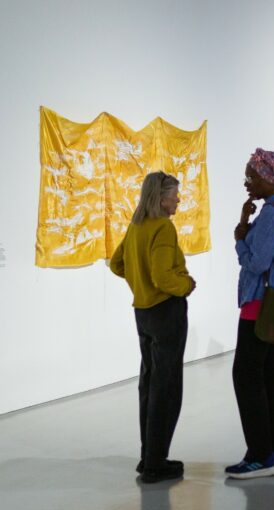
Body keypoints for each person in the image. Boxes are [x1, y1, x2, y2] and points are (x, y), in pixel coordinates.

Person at [110, 171, 197, 483]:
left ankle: (149, 456)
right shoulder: (162, 227)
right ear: (161, 198)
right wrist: (185, 284)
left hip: (143, 312)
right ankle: (156, 463)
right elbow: (163, 277)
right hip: (165, 311)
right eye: (174, 195)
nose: (178, 199)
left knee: (149, 383)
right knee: (167, 386)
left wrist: (138, 282)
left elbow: (116, 263)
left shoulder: (137, 226)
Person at [226, 148, 274, 480]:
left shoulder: (271, 213)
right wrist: (245, 221)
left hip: (259, 304)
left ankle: (260, 455)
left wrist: (240, 237)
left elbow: (256, 262)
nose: (247, 182)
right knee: (272, 373)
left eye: (251, 176)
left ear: (269, 178)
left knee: (246, 376)